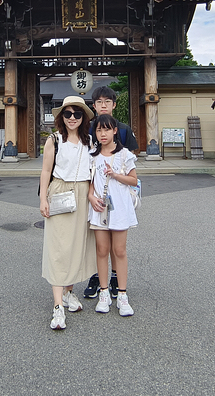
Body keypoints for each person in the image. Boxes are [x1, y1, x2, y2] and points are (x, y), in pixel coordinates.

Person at [39, 95, 97, 330]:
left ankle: (68, 292)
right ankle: (57, 307)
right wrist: (43, 198)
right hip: (60, 191)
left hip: (83, 194)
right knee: (58, 248)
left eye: (77, 114)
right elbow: (45, 172)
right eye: (67, 114)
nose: (72, 118)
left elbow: (94, 172)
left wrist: (92, 194)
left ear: (83, 117)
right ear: (61, 117)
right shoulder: (53, 140)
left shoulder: (90, 141)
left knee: (76, 246)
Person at [83, 85, 138, 300]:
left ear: (114, 105)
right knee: (99, 242)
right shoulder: (86, 129)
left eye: (108, 101)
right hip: (95, 190)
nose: (103, 105)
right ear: (94, 106)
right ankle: (98, 276)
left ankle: (116, 277)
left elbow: (131, 162)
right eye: (99, 102)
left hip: (119, 194)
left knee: (117, 240)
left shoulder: (123, 129)